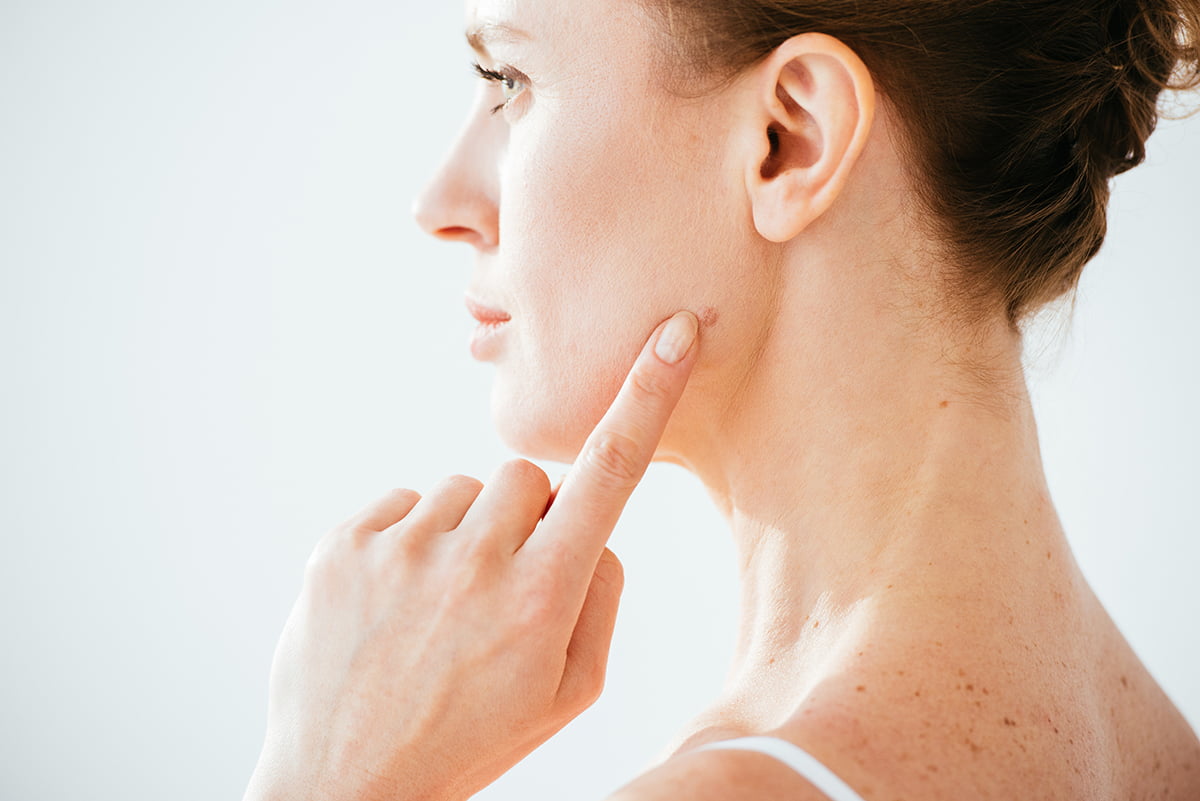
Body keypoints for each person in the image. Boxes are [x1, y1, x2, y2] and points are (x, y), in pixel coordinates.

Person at [243, 0, 1200, 799]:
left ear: (792, 139)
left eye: (511, 85)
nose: (439, 200)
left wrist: (327, 774)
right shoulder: (1163, 756)